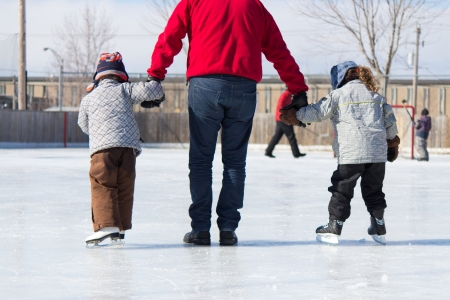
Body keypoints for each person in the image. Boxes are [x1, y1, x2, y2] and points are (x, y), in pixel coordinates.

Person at [147, 0, 308, 245]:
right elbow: (278, 50)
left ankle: (200, 228)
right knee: (235, 162)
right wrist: (298, 88)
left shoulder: (195, 2)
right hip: (243, 89)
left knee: (201, 160)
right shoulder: (255, 6)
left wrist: (156, 76)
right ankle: (228, 229)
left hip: (205, 85)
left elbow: (171, 36)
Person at [280, 61, 400, 245]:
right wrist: (391, 143)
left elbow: (317, 112)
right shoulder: (376, 96)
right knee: (374, 190)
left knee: (342, 190)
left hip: (351, 153)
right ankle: (379, 225)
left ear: (339, 78)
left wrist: (296, 115)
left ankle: (334, 225)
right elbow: (390, 121)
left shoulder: (338, 95)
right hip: (377, 154)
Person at [78, 52, 165, 246]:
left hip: (103, 150)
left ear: (98, 76)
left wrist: (98, 133)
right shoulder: (126, 89)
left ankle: (107, 226)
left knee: (103, 183)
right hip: (127, 148)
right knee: (124, 185)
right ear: (121, 75)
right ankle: (121, 227)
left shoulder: (89, 99)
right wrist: (155, 82)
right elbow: (154, 90)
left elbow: (83, 124)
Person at [265, 89, 306, 158]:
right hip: (283, 119)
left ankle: (268, 151)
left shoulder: (289, 96)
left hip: (281, 119)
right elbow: (280, 106)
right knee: (291, 136)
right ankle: (296, 153)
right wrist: (287, 115)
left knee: (277, 136)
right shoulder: (285, 95)